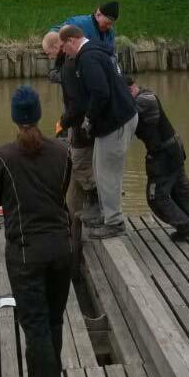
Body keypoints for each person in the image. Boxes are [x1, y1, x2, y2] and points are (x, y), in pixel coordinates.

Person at [0, 86, 72, 377]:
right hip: (62, 249)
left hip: (25, 254)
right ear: (37, 113)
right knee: (53, 321)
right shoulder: (62, 151)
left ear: (14, 117)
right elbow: (63, 189)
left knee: (35, 324)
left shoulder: (3, 156)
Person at [59, 24, 138, 239]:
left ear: (72, 41)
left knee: (107, 174)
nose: (64, 53)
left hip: (116, 122)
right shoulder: (95, 49)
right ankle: (105, 213)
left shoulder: (87, 58)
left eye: (64, 48)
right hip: (120, 118)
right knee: (98, 166)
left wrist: (89, 118)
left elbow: (100, 92)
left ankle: (114, 222)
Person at [127, 76, 189, 241]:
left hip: (164, 155)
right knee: (182, 191)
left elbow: (123, 115)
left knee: (156, 197)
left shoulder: (145, 100)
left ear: (130, 90)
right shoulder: (145, 96)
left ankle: (187, 228)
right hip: (172, 151)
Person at [41, 30, 97, 220]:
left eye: (49, 53)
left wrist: (63, 123)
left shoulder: (68, 66)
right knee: (79, 165)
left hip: (81, 125)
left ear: (58, 47)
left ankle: (96, 203)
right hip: (78, 122)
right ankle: (87, 205)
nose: (49, 57)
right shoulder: (69, 63)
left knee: (81, 164)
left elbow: (77, 103)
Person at [51, 1, 119, 49]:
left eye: (111, 24)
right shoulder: (78, 24)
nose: (109, 27)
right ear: (98, 15)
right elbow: (54, 33)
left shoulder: (110, 33)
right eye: (106, 23)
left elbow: (110, 53)